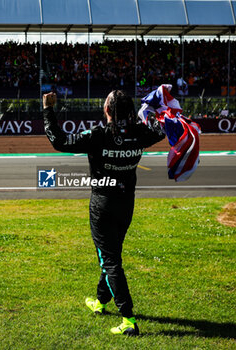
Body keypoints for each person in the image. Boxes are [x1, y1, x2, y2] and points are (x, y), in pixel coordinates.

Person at [43, 90, 165, 336]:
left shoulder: (98, 135)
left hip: (103, 205)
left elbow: (59, 141)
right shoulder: (142, 133)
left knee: (109, 260)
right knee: (111, 255)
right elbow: (162, 129)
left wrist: (47, 110)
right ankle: (100, 302)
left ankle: (128, 319)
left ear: (107, 110)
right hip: (126, 205)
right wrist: (160, 111)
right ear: (130, 111)